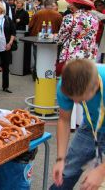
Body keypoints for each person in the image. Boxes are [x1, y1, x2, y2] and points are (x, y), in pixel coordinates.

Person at [50, 59, 105, 190]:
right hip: (90, 126)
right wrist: (60, 159)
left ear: (96, 85)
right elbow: (64, 120)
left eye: (81, 99)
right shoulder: (65, 84)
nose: (75, 103)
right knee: (66, 173)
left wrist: (101, 171)